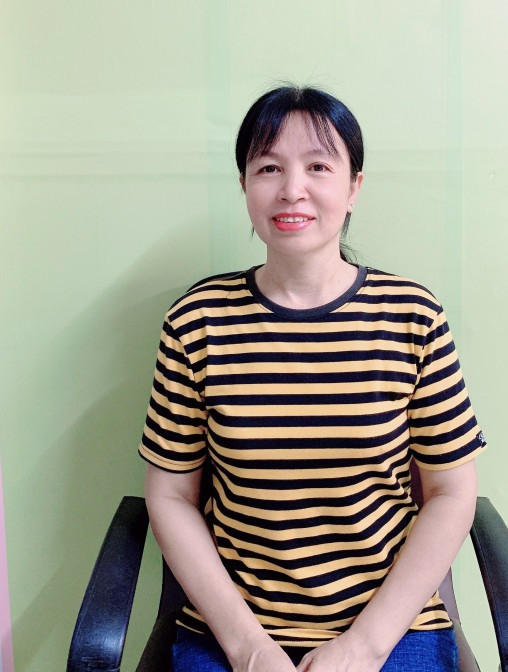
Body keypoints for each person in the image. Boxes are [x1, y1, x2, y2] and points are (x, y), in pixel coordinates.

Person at [139, 85, 487, 672]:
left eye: (318, 167)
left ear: (354, 187)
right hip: (232, 632)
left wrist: (364, 645)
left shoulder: (411, 316)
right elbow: (171, 495)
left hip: (390, 629)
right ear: (245, 185)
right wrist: (249, 648)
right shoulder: (197, 321)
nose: (291, 189)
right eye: (268, 167)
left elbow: (452, 492)